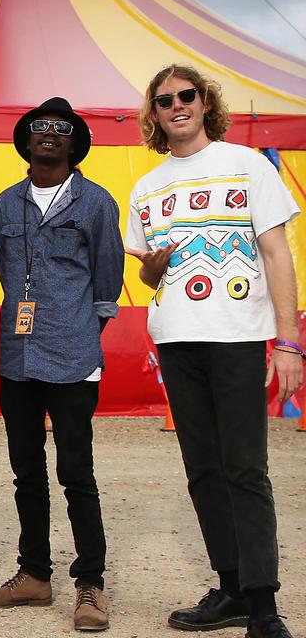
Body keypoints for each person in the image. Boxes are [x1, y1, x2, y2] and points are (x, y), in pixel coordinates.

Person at [127, 65, 300, 638]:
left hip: (238, 337)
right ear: (153, 114)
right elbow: (152, 276)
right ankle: (230, 589)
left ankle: (264, 604)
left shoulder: (247, 164)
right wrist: (154, 266)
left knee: (245, 468)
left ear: (204, 102)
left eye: (186, 95)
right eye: (164, 100)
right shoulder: (147, 186)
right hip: (177, 338)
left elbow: (276, 255)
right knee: (202, 469)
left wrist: (289, 343)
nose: (176, 105)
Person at [0, 97, 123, 632]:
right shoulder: (7, 204)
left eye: (62, 128)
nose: (50, 134)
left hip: (74, 355)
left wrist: (76, 331)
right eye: (41, 127)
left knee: (76, 473)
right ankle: (33, 574)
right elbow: (11, 277)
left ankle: (90, 583)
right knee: (26, 473)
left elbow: (107, 287)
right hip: (18, 354)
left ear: (74, 142)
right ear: (27, 139)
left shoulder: (97, 202)